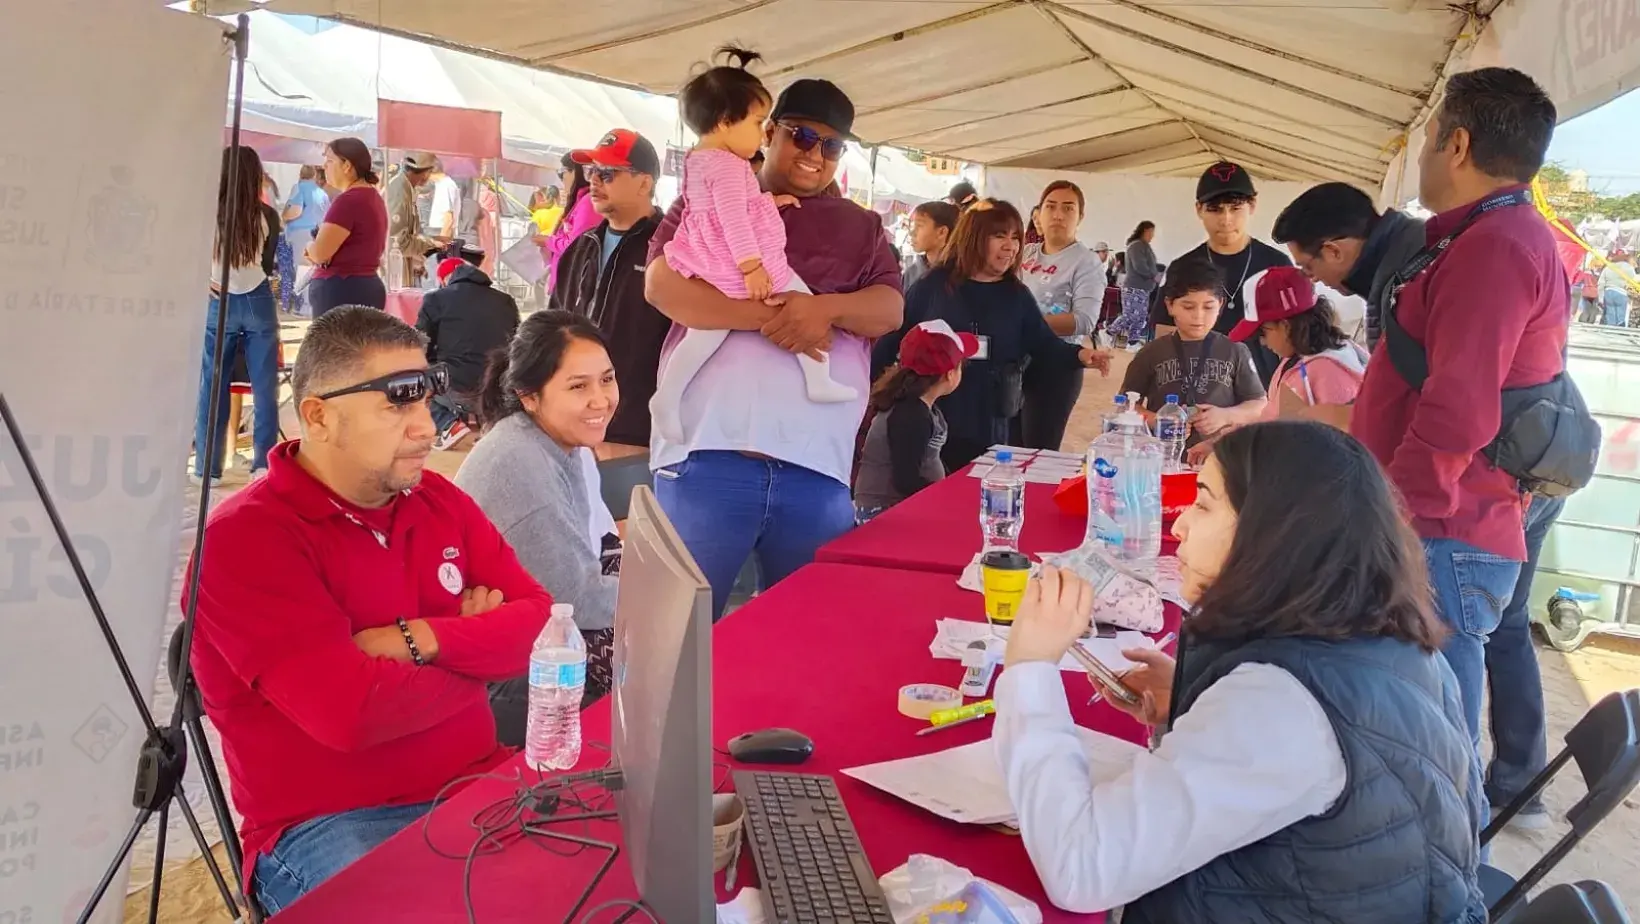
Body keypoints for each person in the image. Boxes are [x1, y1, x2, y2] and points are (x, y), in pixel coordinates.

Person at [995, 420, 1485, 921]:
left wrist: (1030, 669)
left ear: (1274, 533)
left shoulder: (1281, 705)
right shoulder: (1394, 641)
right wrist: (1194, 699)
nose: (1179, 527)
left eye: (1204, 504)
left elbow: (1081, 868)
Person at [184, 307, 552, 914]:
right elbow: (349, 716)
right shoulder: (246, 541)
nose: (426, 427)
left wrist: (419, 638)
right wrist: (478, 650)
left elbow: (539, 627)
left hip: (478, 783)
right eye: (396, 403)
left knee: (620, 878)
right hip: (329, 824)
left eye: (426, 397)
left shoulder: (438, 499)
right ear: (318, 416)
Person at [1351, 67, 1567, 776]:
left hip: (1444, 524)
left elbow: (1461, 406)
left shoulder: (1496, 245)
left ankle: (1453, 833)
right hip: (1445, 518)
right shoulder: (1484, 235)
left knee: (1437, 720)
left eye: (1429, 139)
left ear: (1458, 144)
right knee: (1430, 702)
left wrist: (1397, 509)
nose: (1422, 155)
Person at [643, 77, 904, 618]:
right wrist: (775, 319)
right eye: (802, 136)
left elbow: (888, 310)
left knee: (803, 636)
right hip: (705, 456)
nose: (815, 154)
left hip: (816, 468)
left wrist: (824, 309)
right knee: (675, 637)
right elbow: (662, 286)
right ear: (769, 132)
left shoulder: (863, 226)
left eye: (832, 145)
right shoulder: (707, 195)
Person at [654, 48, 855, 446]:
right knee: (801, 304)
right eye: (757, 122)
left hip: (712, 259)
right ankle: (818, 378)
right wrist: (751, 266)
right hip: (737, 264)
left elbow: (725, 206)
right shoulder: (728, 167)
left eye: (832, 146)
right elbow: (731, 216)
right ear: (725, 122)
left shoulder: (702, 160)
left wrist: (767, 203)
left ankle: (668, 397)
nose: (759, 132)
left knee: (703, 337)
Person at [456, 312, 624, 741]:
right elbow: (576, 602)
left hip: (523, 637)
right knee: (652, 680)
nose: (601, 400)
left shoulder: (557, 441)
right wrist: (660, 597)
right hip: (493, 676)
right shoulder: (520, 462)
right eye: (578, 386)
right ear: (529, 397)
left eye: (606, 380)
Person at [874, 199, 1110, 471]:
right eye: (999, 236)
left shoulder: (1016, 295)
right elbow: (890, 340)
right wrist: (873, 397)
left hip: (990, 425)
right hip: (931, 421)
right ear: (974, 238)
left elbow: (1044, 344)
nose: (1011, 246)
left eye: (1015, 237)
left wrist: (1081, 355)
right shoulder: (933, 286)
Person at [551, 129, 673, 454]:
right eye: (591, 171)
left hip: (637, 428)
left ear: (644, 183)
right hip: (572, 425)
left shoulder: (671, 249)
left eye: (607, 173)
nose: (593, 181)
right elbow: (553, 327)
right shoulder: (581, 247)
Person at [1151, 163, 1291, 384]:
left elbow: (1297, 337)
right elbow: (1164, 335)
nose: (1226, 220)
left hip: (1264, 391)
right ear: (1199, 209)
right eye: (1215, 209)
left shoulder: (1277, 265)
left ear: (1252, 205)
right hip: (1198, 391)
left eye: (1235, 208)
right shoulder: (1182, 267)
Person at [193, 145, 283, 486]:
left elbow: (192, 255)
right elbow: (267, 264)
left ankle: (208, 469)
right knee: (265, 386)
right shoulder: (267, 215)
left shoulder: (207, 212)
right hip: (257, 298)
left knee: (212, 385)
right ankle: (263, 465)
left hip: (218, 298)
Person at [1119, 258, 1265, 457]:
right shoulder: (1151, 352)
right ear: (1170, 305)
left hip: (1219, 458)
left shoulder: (1235, 350)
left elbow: (1259, 404)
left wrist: (1226, 416)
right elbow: (1125, 405)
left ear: (1220, 305)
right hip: (1161, 456)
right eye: (1188, 307)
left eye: (1208, 307)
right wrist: (1157, 420)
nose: (1198, 316)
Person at [1271, 181, 1427, 350]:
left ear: (1333, 251)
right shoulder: (1402, 268)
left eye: (1308, 267)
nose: (1313, 278)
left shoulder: (1411, 285)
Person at [854, 320, 976, 521]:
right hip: (885, 513)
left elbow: (928, 458)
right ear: (950, 374)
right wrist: (949, 497)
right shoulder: (910, 414)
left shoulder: (920, 406)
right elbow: (905, 480)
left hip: (901, 506)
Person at [1018, 180, 1106, 450]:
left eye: (1068, 208)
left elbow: (1084, 320)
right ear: (1038, 214)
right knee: (1007, 446)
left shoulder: (1087, 262)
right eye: (1051, 207)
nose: (1058, 215)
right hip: (1015, 363)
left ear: (1080, 217)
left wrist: (1026, 325)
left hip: (1056, 367)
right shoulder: (1025, 254)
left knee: (1038, 450)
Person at [1227, 266, 1368, 421]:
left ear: (1285, 326)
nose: (1262, 342)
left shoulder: (1329, 372)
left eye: (1263, 333)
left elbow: (1346, 430)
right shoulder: (1295, 357)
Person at [416, 248, 521, 451]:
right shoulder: (505, 300)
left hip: (456, 387)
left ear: (445, 279)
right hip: (497, 390)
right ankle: (490, 426)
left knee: (413, 374)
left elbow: (420, 345)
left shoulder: (436, 299)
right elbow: (517, 346)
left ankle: (448, 423)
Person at [307, 138, 388, 315]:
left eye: (329, 160)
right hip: (364, 285)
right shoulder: (372, 197)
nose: (324, 166)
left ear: (347, 166)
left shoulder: (348, 201)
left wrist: (309, 247)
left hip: (342, 289)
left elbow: (320, 254)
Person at [545, 151, 598, 292]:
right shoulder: (580, 201)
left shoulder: (588, 203)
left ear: (577, 172)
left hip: (570, 287)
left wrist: (548, 241)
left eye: (563, 172)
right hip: (564, 284)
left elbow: (576, 246)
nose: (562, 179)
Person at [385, 151, 438, 289]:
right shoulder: (399, 193)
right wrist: (430, 244)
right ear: (425, 173)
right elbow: (397, 243)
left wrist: (419, 258)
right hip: (391, 271)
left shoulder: (405, 189)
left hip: (399, 267)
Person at [1110, 221, 1158, 341]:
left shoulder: (1144, 246)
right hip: (1134, 287)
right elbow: (1139, 266)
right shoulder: (1136, 246)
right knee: (1131, 316)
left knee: (1140, 317)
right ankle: (1109, 332)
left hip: (1143, 288)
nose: (1152, 235)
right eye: (1151, 232)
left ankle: (1133, 340)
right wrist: (1153, 276)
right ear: (1145, 231)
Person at [902, 200, 957, 292]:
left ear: (942, 232)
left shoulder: (961, 274)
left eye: (919, 226)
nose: (912, 233)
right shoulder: (911, 273)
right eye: (913, 226)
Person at [423, 159, 461, 286]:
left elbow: (448, 217)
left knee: (436, 275)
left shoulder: (446, 186)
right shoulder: (443, 185)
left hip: (440, 233)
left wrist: (443, 242)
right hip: (439, 233)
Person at [1599, 250, 1632, 326]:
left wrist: (1600, 297)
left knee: (1610, 314)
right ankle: (1619, 328)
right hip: (1621, 292)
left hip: (1608, 292)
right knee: (1621, 316)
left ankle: (1611, 328)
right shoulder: (1628, 267)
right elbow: (1634, 279)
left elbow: (1601, 283)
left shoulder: (1608, 267)